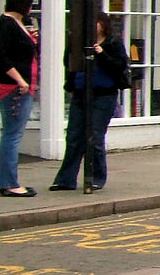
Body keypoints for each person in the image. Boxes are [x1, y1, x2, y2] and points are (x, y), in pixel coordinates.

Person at [51, 14, 128, 193]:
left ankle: (96, 178)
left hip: (104, 95)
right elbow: (68, 62)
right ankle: (65, 179)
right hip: (80, 93)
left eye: (96, 22)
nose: (92, 26)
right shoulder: (79, 43)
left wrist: (101, 54)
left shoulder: (112, 43)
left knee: (94, 136)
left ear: (103, 25)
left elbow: (119, 65)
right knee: (74, 137)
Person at [0, 0, 40, 197]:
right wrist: (21, 81)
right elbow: (1, 57)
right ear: (23, 4)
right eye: (29, 3)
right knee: (12, 134)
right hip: (13, 87)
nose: (31, 8)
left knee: (12, 133)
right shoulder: (5, 24)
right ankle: (10, 183)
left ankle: (9, 180)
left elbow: (21, 51)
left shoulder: (17, 23)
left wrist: (31, 37)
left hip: (21, 85)